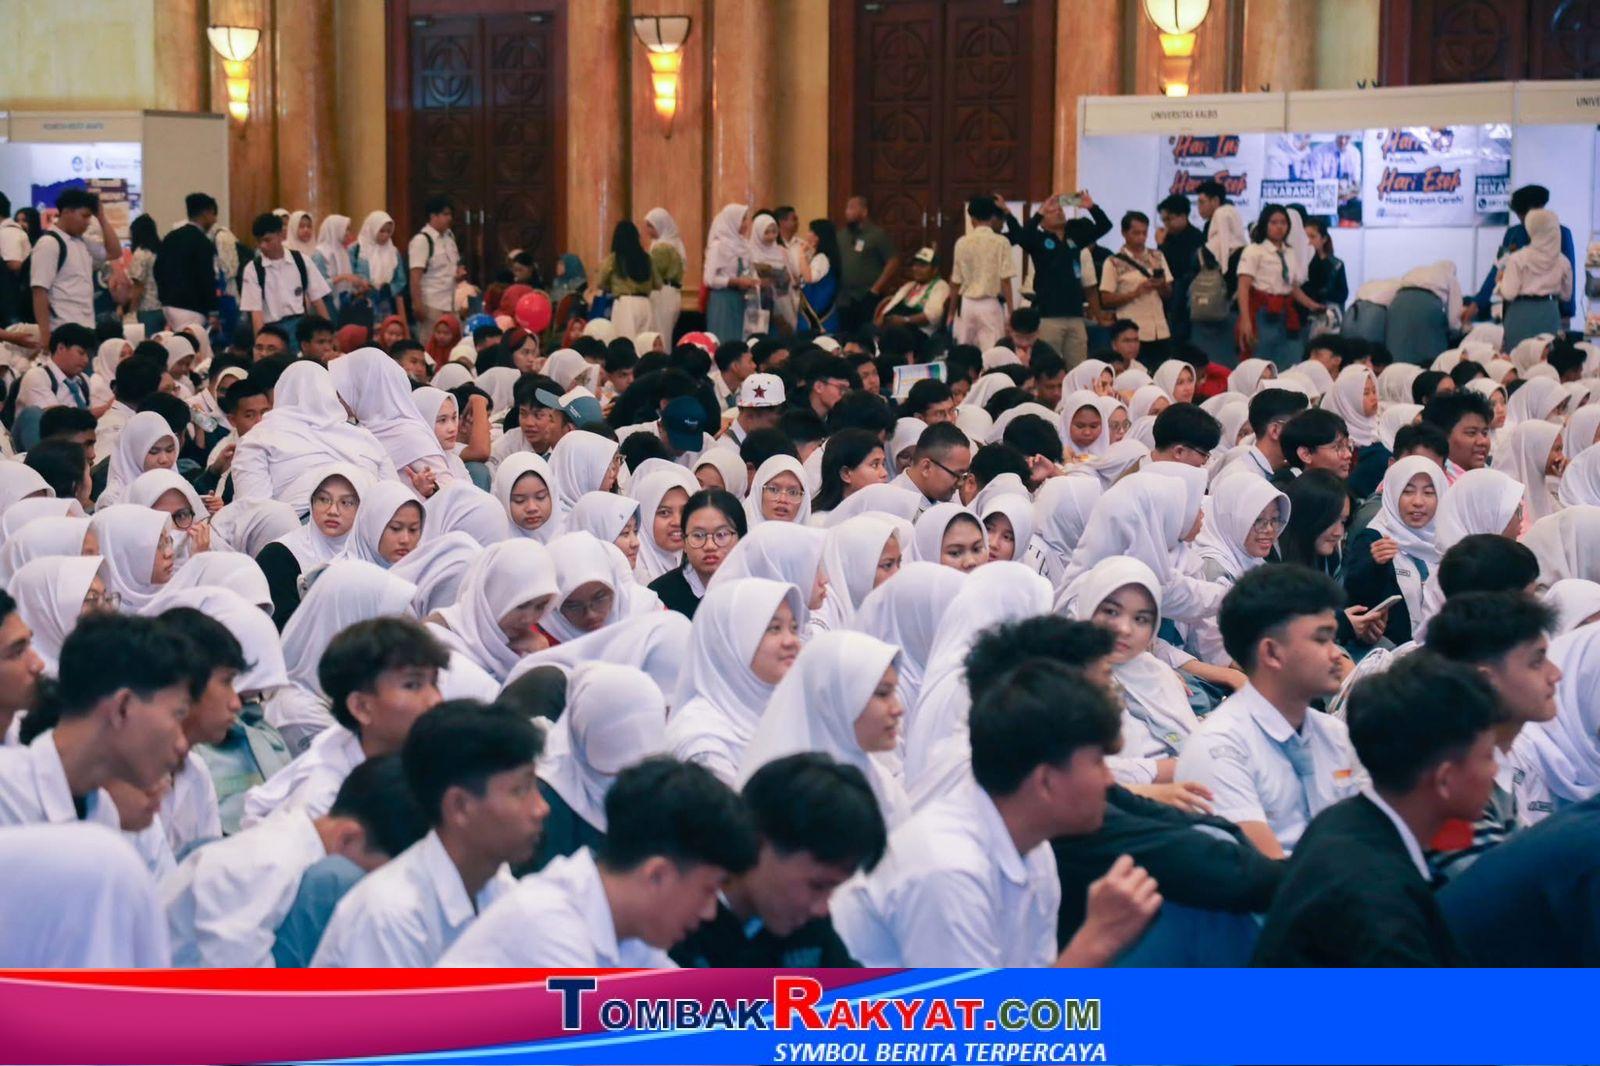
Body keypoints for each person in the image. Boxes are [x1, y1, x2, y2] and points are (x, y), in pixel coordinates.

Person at [833, 658, 1161, 966]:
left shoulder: (1034, 849)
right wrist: (1095, 943)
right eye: (1098, 762)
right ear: (1045, 781)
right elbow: (970, 1009)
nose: (1108, 780)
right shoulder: (947, 868)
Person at [1251, 651, 1498, 966]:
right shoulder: (1380, 911)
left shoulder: (1345, 818)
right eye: (1488, 757)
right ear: (1445, 779)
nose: (1496, 771)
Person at [439, 756, 758, 966]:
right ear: (657, 875)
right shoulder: (547, 929)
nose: (709, 912)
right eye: (708, 890)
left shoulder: (630, 932)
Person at [311, 701, 544, 966]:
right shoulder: (390, 915)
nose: (541, 808)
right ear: (460, 806)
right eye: (520, 791)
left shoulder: (496, 883)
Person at [1175, 565, 1368, 858]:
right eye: (1321, 639)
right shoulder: (1219, 749)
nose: (1336, 654)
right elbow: (1268, 871)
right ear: (1272, 653)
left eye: (1334, 639)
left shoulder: (1335, 734)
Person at [160, 754, 422, 966]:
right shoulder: (267, 862)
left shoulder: (294, 849)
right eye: (370, 873)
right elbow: (234, 992)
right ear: (348, 838)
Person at [673, 753, 885, 967]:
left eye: (832, 889)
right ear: (756, 842)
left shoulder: (807, 926)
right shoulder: (673, 925)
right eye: (817, 886)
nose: (822, 908)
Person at [241, 617, 445, 827]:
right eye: (412, 685)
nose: (435, 699)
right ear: (361, 707)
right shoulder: (325, 808)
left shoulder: (413, 752)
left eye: (434, 682)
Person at [0, 613, 193, 828]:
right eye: (177, 715)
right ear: (122, 708)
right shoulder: (6, 791)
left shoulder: (103, 812)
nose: (182, 744)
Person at [1424, 591, 1559, 879]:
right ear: (1484, 681)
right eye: (1537, 661)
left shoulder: (1491, 764)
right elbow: (1501, 893)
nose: (1555, 674)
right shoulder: (1449, 792)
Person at [1471, 183, 1577, 327]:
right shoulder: (1513, 234)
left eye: (1522, 214)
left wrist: (1567, 312)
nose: (1521, 219)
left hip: (1552, 309)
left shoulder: (1561, 233)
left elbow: (1568, 275)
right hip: (1515, 310)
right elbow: (1498, 267)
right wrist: (1478, 303)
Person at [30, 188, 121, 347]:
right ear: (67, 212)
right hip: (62, 328)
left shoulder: (82, 242)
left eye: (90, 217)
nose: (88, 222)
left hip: (87, 325)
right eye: (84, 216)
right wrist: (45, 335)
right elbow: (39, 291)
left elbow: (114, 252)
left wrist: (102, 218)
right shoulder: (49, 243)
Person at [1237, 204, 1323, 369]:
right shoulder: (1254, 250)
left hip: (1285, 312)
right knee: (1261, 362)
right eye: (1274, 222)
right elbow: (1243, 287)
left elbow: (1292, 287)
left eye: (1283, 222)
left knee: (1291, 361)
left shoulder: (1289, 252)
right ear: (1265, 224)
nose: (1279, 227)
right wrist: (1245, 320)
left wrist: (1312, 305)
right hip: (1262, 312)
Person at [649, 488, 746, 619]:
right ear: (684, 541)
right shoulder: (659, 595)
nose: (710, 546)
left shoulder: (756, 589)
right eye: (698, 535)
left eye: (721, 534)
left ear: (741, 538)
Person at [239, 213, 332, 345]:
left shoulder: (301, 260)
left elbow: (317, 301)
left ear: (281, 235)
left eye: (267, 240)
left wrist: (330, 335)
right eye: (259, 242)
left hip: (300, 327)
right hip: (272, 329)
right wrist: (261, 344)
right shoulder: (253, 269)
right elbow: (256, 314)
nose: (263, 246)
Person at [1099, 211, 1172, 369]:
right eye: (1136, 233)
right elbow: (1106, 299)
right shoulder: (1113, 262)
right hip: (1132, 331)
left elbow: (1169, 294)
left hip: (1160, 329)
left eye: (1144, 233)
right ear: (1124, 233)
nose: (1141, 237)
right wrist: (1136, 292)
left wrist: (1160, 285)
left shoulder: (1157, 256)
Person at [1497, 208, 1573, 351]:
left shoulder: (1517, 259)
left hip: (1520, 314)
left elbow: (1509, 293)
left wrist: (1500, 282)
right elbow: (1566, 295)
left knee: (1518, 356)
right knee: (1547, 356)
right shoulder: (1563, 261)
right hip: (1550, 312)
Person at [949, 197, 1017, 351]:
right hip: (990, 304)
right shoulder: (1001, 242)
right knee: (992, 351)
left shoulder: (962, 242)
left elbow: (955, 282)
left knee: (965, 351)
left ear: (972, 218)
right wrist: (1011, 312)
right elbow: (1005, 280)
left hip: (967, 304)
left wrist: (951, 313)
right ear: (993, 217)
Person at [151, 193, 221, 332]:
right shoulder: (202, 242)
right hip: (193, 307)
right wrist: (213, 310)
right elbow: (207, 277)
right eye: (213, 214)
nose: (215, 220)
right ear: (206, 213)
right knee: (191, 342)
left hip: (168, 305)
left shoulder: (170, 237)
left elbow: (157, 269)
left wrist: (164, 296)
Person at [835, 195, 900, 334]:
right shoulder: (841, 236)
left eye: (852, 208)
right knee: (845, 334)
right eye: (847, 208)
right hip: (845, 297)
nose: (847, 212)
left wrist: (876, 288)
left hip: (867, 296)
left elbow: (893, 261)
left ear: (864, 211)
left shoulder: (877, 235)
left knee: (866, 334)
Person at [408, 196, 462, 341]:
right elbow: (415, 277)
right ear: (433, 216)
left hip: (451, 303)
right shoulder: (422, 240)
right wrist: (418, 306)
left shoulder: (449, 238)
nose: (449, 218)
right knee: (430, 346)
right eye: (445, 214)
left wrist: (458, 274)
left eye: (450, 214)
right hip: (431, 305)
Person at [703, 203, 758, 342]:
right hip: (723, 301)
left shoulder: (744, 245)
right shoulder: (718, 246)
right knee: (724, 339)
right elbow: (709, 279)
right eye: (742, 219)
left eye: (746, 219)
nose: (746, 224)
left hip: (741, 300)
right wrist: (735, 281)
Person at [889, 422, 972, 512]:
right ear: (926, 467)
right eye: (956, 475)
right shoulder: (891, 504)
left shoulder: (950, 503)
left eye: (963, 476)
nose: (960, 483)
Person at [16, 322, 94, 414]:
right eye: (81, 353)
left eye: (88, 355)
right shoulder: (37, 376)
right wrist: (106, 408)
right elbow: (55, 418)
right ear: (61, 348)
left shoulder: (83, 380)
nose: (86, 360)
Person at [1421, 389, 1494, 478]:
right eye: (1471, 433)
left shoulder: (1494, 477)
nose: (1483, 441)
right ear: (1442, 436)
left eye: (1485, 433)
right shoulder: (1431, 480)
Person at [350, 210, 408, 323]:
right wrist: (360, 283)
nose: (385, 235)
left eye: (388, 231)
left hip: (385, 305)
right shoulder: (356, 249)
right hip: (360, 302)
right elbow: (348, 272)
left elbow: (400, 280)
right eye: (381, 231)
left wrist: (388, 288)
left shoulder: (393, 252)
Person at [1302, 218, 1349, 312]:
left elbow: (1342, 295)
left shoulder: (1336, 264)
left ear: (1324, 239)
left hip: (1327, 312)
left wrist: (1322, 293)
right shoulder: (1300, 262)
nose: (1308, 241)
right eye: (1304, 237)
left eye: (1312, 237)